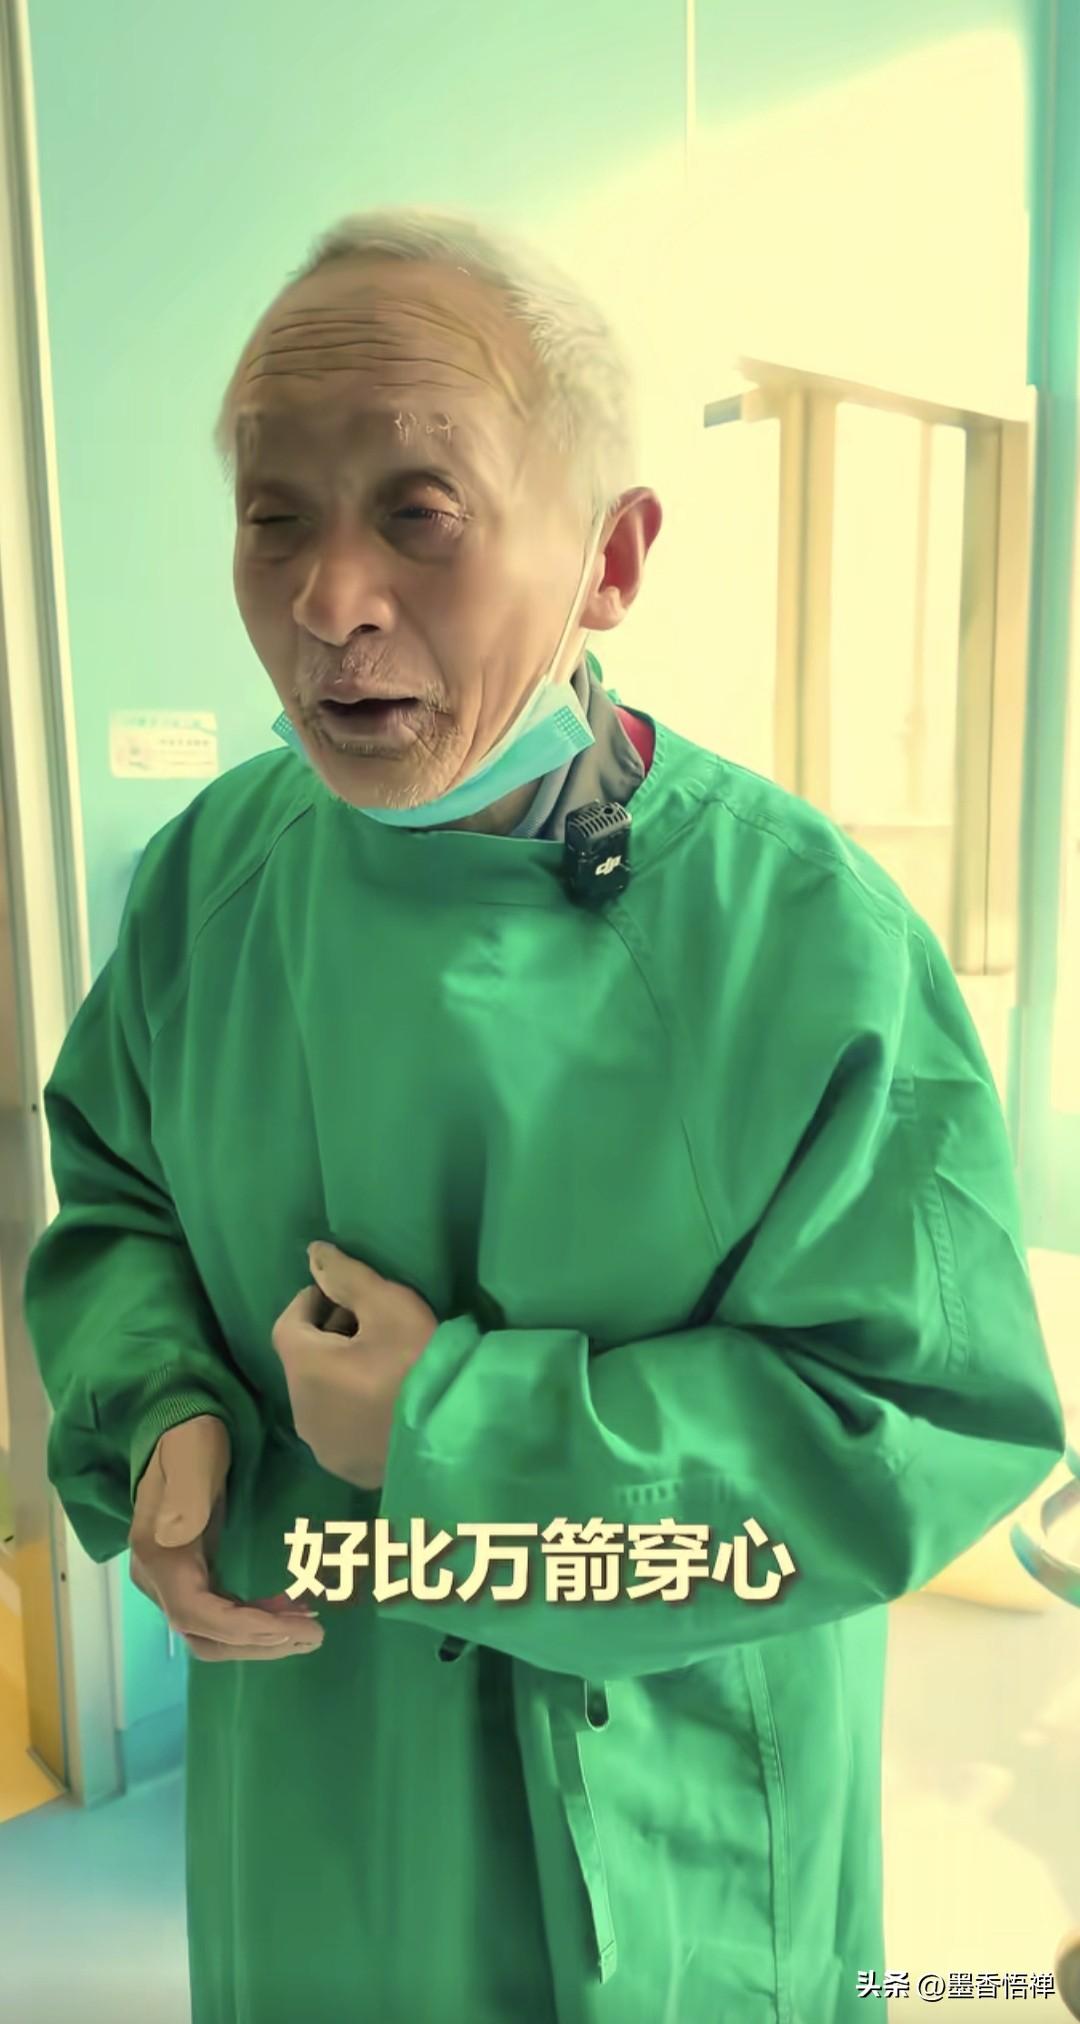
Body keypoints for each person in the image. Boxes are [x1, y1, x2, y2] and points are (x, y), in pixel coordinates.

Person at [24, 208, 1063, 2024]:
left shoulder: (799, 940)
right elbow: (115, 1190)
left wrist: (455, 1428)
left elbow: (926, 1415)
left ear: (612, 557)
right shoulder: (213, 879)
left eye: (419, 513)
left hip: (654, 1836)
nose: (327, 601)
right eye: (274, 518)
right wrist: (157, 1401)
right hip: (311, 1786)